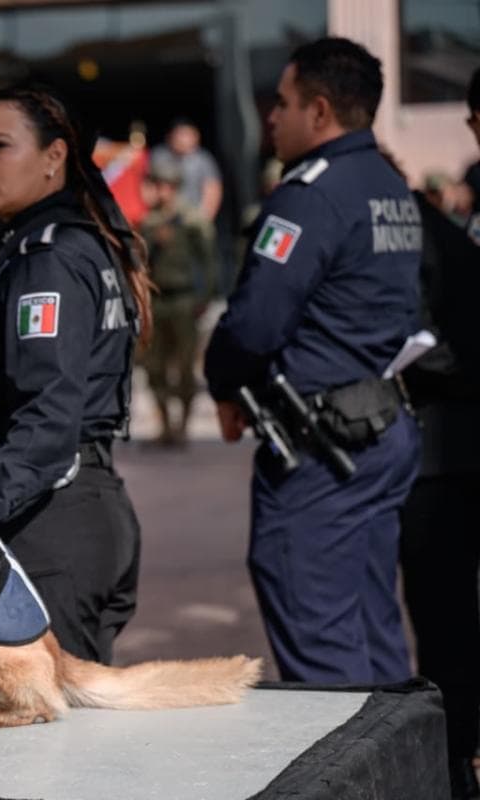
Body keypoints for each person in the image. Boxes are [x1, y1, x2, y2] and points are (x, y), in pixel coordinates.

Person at [204, 38, 422, 685]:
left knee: (321, 637)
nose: (271, 116)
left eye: (285, 103)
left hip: (323, 449)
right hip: (377, 430)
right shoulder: (389, 185)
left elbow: (255, 322)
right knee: (371, 623)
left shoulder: (311, 194)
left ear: (320, 112)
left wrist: (223, 382)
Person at [0, 82, 153, 666]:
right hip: (72, 512)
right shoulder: (53, 245)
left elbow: (46, 426)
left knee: (47, 742)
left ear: (54, 157)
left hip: (52, 523)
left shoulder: (50, 258)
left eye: (1, 146)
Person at [397, 67, 480, 800]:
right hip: (450, 455)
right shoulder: (460, 222)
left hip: (454, 447)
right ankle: (457, 766)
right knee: (450, 633)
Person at [139, 161, 217, 446]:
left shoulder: (191, 220)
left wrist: (205, 296)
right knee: (153, 366)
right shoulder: (148, 222)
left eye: (164, 186)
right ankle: (164, 424)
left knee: (184, 367)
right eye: (155, 185)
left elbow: (208, 262)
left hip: (184, 300)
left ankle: (182, 425)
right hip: (157, 302)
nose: (159, 192)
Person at [149, 119, 223, 221]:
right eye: (179, 134)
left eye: (186, 134)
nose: (182, 139)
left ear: (196, 136)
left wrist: (205, 218)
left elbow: (212, 189)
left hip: (192, 215)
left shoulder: (203, 160)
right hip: (162, 214)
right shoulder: (159, 155)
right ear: (170, 136)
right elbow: (147, 185)